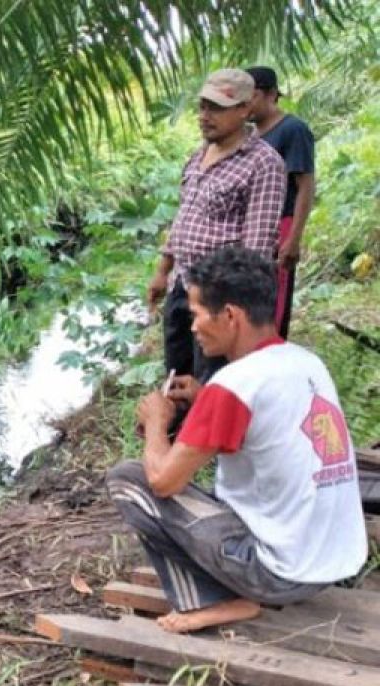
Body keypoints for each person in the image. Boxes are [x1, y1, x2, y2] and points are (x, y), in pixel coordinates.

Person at [110, 246, 366, 634]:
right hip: (331, 561)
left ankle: (212, 599)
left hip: (277, 574)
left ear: (230, 315)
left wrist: (157, 422)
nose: (192, 326)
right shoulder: (304, 361)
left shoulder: (233, 386)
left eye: (196, 314)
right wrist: (202, 398)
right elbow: (267, 420)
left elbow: (163, 480)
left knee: (130, 480)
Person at [147, 68, 286, 385]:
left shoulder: (263, 163)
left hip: (219, 296)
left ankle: (208, 433)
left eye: (217, 108)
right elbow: (184, 217)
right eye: (203, 107)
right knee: (176, 370)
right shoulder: (199, 157)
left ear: (244, 109)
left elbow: (257, 247)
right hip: (182, 282)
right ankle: (176, 430)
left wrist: (237, 308)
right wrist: (162, 270)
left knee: (213, 378)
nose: (205, 116)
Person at [246, 65, 316, 339]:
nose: (245, 104)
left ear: (271, 94)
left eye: (250, 96)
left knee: (274, 301)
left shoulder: (293, 130)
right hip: (254, 227)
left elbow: (305, 185)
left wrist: (293, 238)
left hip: (281, 224)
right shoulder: (249, 135)